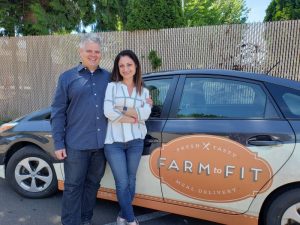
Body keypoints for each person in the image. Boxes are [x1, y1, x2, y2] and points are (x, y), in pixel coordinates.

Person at [50, 33, 110, 225]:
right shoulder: (67, 78)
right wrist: (59, 143)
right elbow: (58, 112)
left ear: (101, 54)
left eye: (97, 51)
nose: (93, 55)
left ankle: (85, 219)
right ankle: (70, 222)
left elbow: (124, 97)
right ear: (80, 52)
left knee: (92, 185)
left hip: (101, 146)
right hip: (76, 145)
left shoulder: (109, 78)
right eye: (89, 51)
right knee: (73, 186)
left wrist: (144, 99)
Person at [103, 50, 151, 225]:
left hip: (135, 141)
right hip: (113, 143)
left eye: (129, 65)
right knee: (122, 182)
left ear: (136, 66)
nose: (125, 68)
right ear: (118, 68)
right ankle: (131, 220)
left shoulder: (144, 92)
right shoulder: (112, 87)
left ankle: (123, 215)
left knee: (131, 180)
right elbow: (108, 111)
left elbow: (145, 114)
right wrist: (132, 117)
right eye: (121, 65)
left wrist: (121, 108)